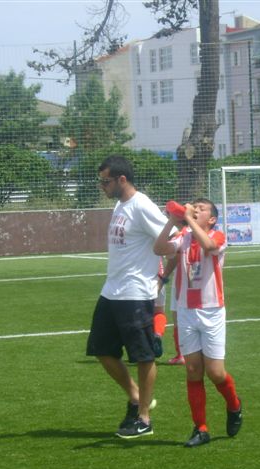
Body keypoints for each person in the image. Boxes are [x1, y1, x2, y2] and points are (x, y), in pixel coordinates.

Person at [86, 155, 170, 439]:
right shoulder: (120, 205)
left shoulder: (142, 205)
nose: (102, 186)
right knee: (100, 349)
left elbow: (172, 239)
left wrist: (163, 277)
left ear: (122, 179)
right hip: (112, 291)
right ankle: (135, 397)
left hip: (135, 293)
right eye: (101, 181)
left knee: (144, 356)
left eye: (106, 181)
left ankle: (144, 419)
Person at [153, 198, 243, 447]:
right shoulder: (183, 235)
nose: (195, 209)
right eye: (194, 206)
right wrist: (172, 220)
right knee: (193, 370)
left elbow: (209, 245)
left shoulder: (218, 236)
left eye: (201, 209)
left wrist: (188, 219)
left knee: (215, 372)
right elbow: (158, 249)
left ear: (211, 219)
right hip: (186, 311)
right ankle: (200, 428)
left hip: (211, 311)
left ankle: (234, 405)